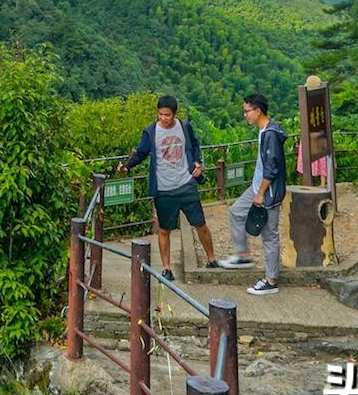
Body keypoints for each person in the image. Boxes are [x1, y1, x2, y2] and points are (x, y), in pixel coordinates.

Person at [117, 95, 223, 280]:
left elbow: (195, 145)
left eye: (167, 115)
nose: (163, 118)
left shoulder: (184, 127)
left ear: (175, 114)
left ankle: (211, 259)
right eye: (160, 114)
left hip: (186, 183)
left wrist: (198, 162)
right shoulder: (151, 132)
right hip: (163, 188)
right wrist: (127, 166)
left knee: (200, 224)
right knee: (164, 230)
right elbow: (141, 153)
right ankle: (167, 268)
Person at [219, 93, 286, 295]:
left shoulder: (270, 134)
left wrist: (261, 193)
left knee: (269, 235)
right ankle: (243, 255)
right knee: (236, 211)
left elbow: (272, 169)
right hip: (257, 187)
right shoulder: (264, 130)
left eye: (247, 111)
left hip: (268, 191)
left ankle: (271, 281)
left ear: (258, 110)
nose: (245, 115)